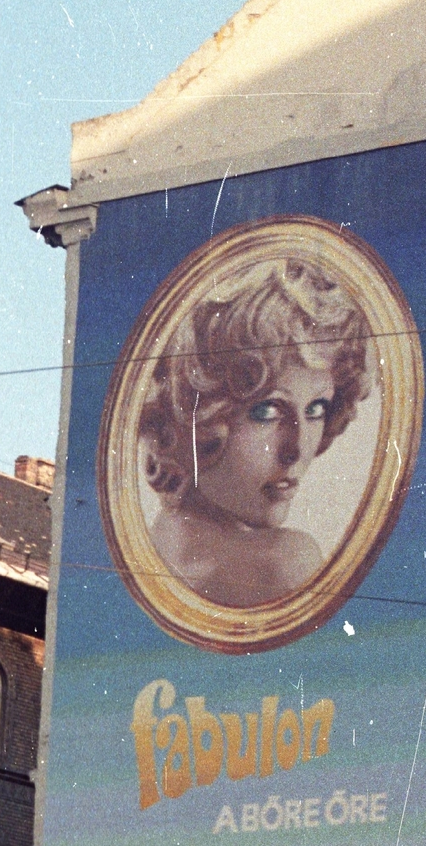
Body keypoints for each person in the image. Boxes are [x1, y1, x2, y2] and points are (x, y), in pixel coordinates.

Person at [137, 254, 373, 608]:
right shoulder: (287, 561)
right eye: (268, 411)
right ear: (199, 418)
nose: (296, 449)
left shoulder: (155, 544)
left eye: (315, 410)